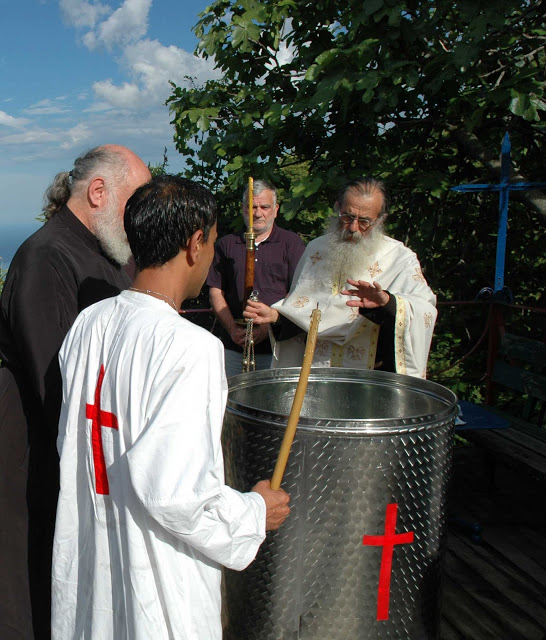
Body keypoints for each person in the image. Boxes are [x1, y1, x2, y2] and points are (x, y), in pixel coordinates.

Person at [52, 175, 290, 639]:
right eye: (214, 239)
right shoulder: (189, 348)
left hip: (93, 548)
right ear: (195, 242)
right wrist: (254, 511)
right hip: (155, 573)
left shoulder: (87, 323)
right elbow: (178, 496)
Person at [0, 145, 151, 640]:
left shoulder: (102, 256)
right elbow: (55, 381)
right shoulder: (46, 257)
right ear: (99, 192)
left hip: (77, 455)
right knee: (30, 590)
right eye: (136, 200)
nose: (140, 216)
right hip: (35, 457)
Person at [244, 177, 437, 378]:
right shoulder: (316, 251)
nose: (353, 228)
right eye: (347, 217)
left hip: (370, 380)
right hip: (315, 375)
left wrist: (387, 303)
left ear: (380, 220)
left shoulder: (399, 258)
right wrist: (277, 317)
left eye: (364, 222)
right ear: (337, 208)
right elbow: (303, 310)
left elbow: (425, 310)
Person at [207, 179, 305, 377]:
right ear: (243, 209)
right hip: (234, 346)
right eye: (252, 206)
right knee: (233, 402)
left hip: (278, 348)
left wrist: (269, 326)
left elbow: (300, 293)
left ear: (276, 209)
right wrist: (233, 329)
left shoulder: (291, 243)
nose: (258, 213)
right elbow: (215, 291)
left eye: (264, 206)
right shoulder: (226, 245)